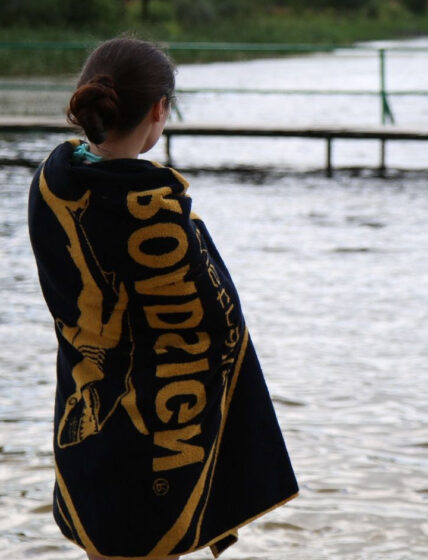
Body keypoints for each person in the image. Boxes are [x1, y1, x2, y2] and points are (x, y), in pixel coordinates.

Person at [27, 37, 298, 560]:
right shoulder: (154, 210)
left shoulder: (52, 184)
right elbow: (213, 327)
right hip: (155, 447)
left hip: (83, 424)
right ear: (159, 110)